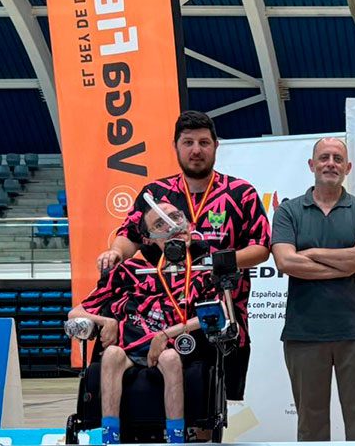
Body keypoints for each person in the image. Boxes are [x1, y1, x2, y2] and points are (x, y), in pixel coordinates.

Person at [95, 110, 270, 402]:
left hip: (218, 319)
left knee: (210, 403)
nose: (196, 150)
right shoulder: (155, 194)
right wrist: (115, 252)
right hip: (156, 319)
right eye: (188, 142)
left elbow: (261, 247)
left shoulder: (241, 193)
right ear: (175, 146)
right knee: (149, 398)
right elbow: (129, 236)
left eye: (204, 142)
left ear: (216, 145)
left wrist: (216, 261)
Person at [70, 199, 220, 444]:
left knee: (170, 358)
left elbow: (215, 313)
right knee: (111, 354)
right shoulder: (129, 270)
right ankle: (110, 438)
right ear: (148, 239)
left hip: (171, 348)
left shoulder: (203, 270)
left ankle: (176, 438)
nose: (172, 226)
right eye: (160, 224)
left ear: (188, 223)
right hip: (128, 348)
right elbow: (75, 314)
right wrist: (107, 321)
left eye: (175, 217)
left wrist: (165, 335)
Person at [271, 138, 355, 442]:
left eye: (337, 158)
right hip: (304, 333)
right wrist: (346, 263)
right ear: (312, 165)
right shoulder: (288, 211)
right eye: (324, 158)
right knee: (311, 428)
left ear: (348, 167)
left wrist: (309, 253)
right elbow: (285, 261)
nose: (330, 163)